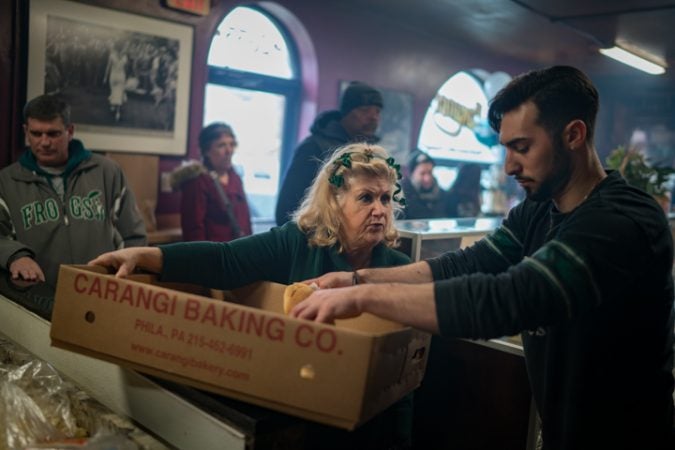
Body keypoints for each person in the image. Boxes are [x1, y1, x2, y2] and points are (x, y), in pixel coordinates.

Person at [290, 66, 675, 450]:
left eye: (522, 148)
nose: (509, 166)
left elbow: (511, 298)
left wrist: (360, 298)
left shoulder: (621, 220)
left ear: (573, 135)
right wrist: (360, 279)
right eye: (506, 149)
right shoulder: (538, 209)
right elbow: (468, 263)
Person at [91, 143, 413, 449]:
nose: (379, 211)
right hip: (297, 414)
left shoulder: (399, 270)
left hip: (369, 425)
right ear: (335, 201)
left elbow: (407, 368)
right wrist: (146, 256)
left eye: (385, 199)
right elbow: (225, 260)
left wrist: (401, 438)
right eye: (366, 198)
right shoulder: (297, 243)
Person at [0, 94, 147, 287]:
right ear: (26, 132)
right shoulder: (7, 180)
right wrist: (15, 256)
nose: (44, 142)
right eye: (36, 134)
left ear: (69, 131)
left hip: (103, 290)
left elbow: (133, 235)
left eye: (53, 134)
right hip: (38, 296)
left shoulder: (107, 172)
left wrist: (125, 280)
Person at [275, 81, 384, 225]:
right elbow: (286, 211)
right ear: (347, 113)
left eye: (377, 111)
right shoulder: (313, 147)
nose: (373, 117)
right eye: (365, 110)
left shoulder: (371, 154)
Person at [171, 123, 252, 242]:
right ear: (206, 152)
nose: (229, 151)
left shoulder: (235, 178)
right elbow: (193, 229)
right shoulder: (197, 181)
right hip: (214, 254)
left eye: (231, 144)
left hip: (238, 252)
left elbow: (245, 219)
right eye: (221, 145)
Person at [400, 149, 452, 219]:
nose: (427, 178)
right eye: (422, 173)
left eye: (430, 172)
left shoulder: (443, 196)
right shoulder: (401, 196)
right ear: (412, 174)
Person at [103, 40, 128, 122]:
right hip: (121, 76)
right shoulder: (125, 57)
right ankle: (117, 112)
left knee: (114, 92)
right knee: (119, 94)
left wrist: (105, 77)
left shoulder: (112, 55)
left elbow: (108, 67)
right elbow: (126, 69)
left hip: (113, 76)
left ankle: (113, 107)